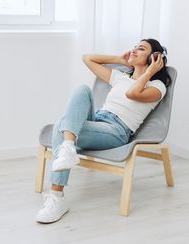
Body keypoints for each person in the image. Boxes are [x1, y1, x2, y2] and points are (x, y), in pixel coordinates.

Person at [36, 38, 172, 224]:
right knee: (82, 89)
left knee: (62, 125)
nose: (133, 50)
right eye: (134, 47)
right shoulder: (120, 77)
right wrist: (120, 59)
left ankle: (56, 197)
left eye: (140, 49)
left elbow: (131, 94)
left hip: (116, 130)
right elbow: (87, 59)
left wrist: (149, 72)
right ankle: (68, 146)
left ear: (153, 58)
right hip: (97, 119)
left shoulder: (157, 86)